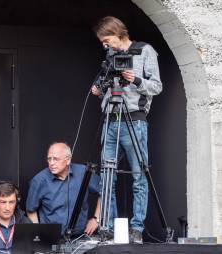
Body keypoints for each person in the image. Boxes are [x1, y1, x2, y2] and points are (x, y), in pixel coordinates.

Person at [91, 16, 163, 243]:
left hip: (134, 120)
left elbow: (157, 86)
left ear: (118, 32)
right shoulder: (110, 55)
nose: (105, 44)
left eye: (107, 39)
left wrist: (136, 80)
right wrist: (99, 89)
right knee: (107, 177)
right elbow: (109, 85)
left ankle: (136, 229)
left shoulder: (145, 51)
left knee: (138, 176)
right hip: (111, 120)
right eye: (102, 41)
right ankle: (109, 228)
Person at [26, 142, 101, 237]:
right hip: (51, 237)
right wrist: (38, 235)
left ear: (68, 160)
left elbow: (105, 191)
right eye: (49, 159)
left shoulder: (83, 172)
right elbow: (30, 210)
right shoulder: (39, 180)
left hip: (80, 237)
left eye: (56, 159)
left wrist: (96, 219)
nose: (51, 163)